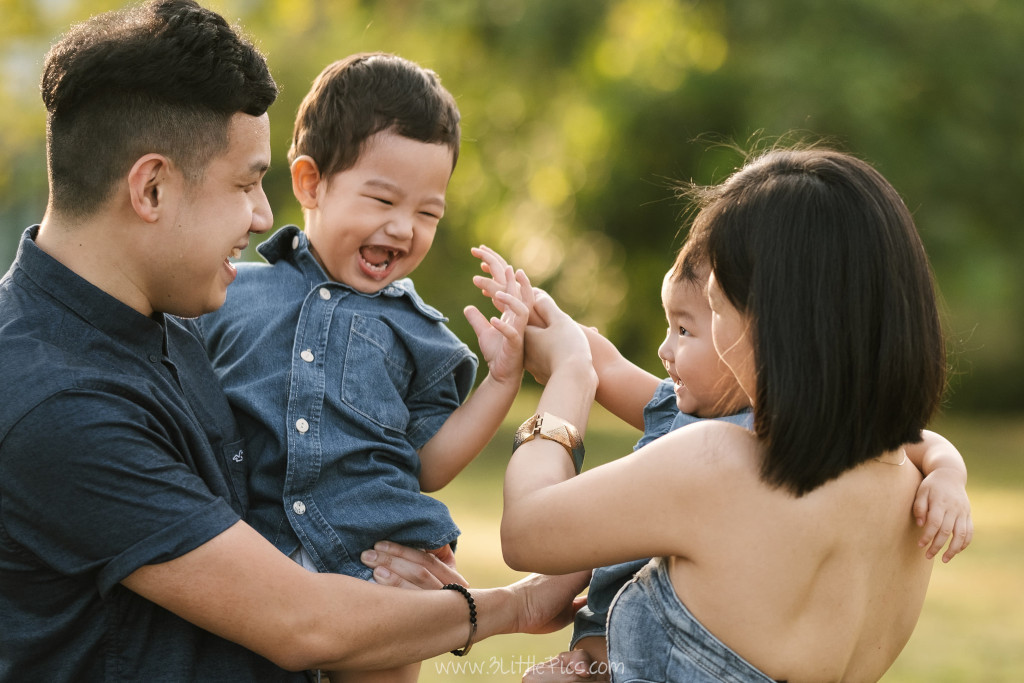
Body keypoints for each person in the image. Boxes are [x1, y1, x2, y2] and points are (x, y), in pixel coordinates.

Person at [0, 3, 586, 680]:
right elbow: (303, 622)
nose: (262, 215)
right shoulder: (55, 401)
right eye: (246, 182)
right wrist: (513, 605)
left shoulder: (169, 320)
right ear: (152, 187)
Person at [498, 147, 973, 682]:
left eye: (717, 306)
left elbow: (525, 530)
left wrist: (569, 376)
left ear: (772, 320)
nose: (714, 331)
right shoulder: (916, 496)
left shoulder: (718, 463)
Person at [191, 52, 530, 682]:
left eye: (429, 213)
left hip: (380, 563)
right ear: (310, 183)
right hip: (256, 562)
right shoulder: (229, 293)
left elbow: (428, 463)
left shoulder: (419, 333)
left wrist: (503, 382)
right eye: (382, 200)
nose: (403, 228)